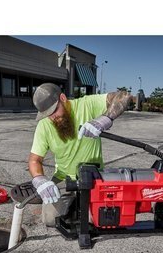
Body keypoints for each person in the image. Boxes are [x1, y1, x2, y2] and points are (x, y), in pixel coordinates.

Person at [19, 83, 131, 226]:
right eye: (47, 114)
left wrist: (106, 118)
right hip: (64, 178)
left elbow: (124, 96)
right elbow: (34, 160)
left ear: (63, 98)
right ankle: (75, 204)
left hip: (94, 178)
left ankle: (80, 207)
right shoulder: (44, 125)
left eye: (54, 111)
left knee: (101, 220)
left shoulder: (87, 105)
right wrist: (39, 179)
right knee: (50, 219)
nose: (52, 117)